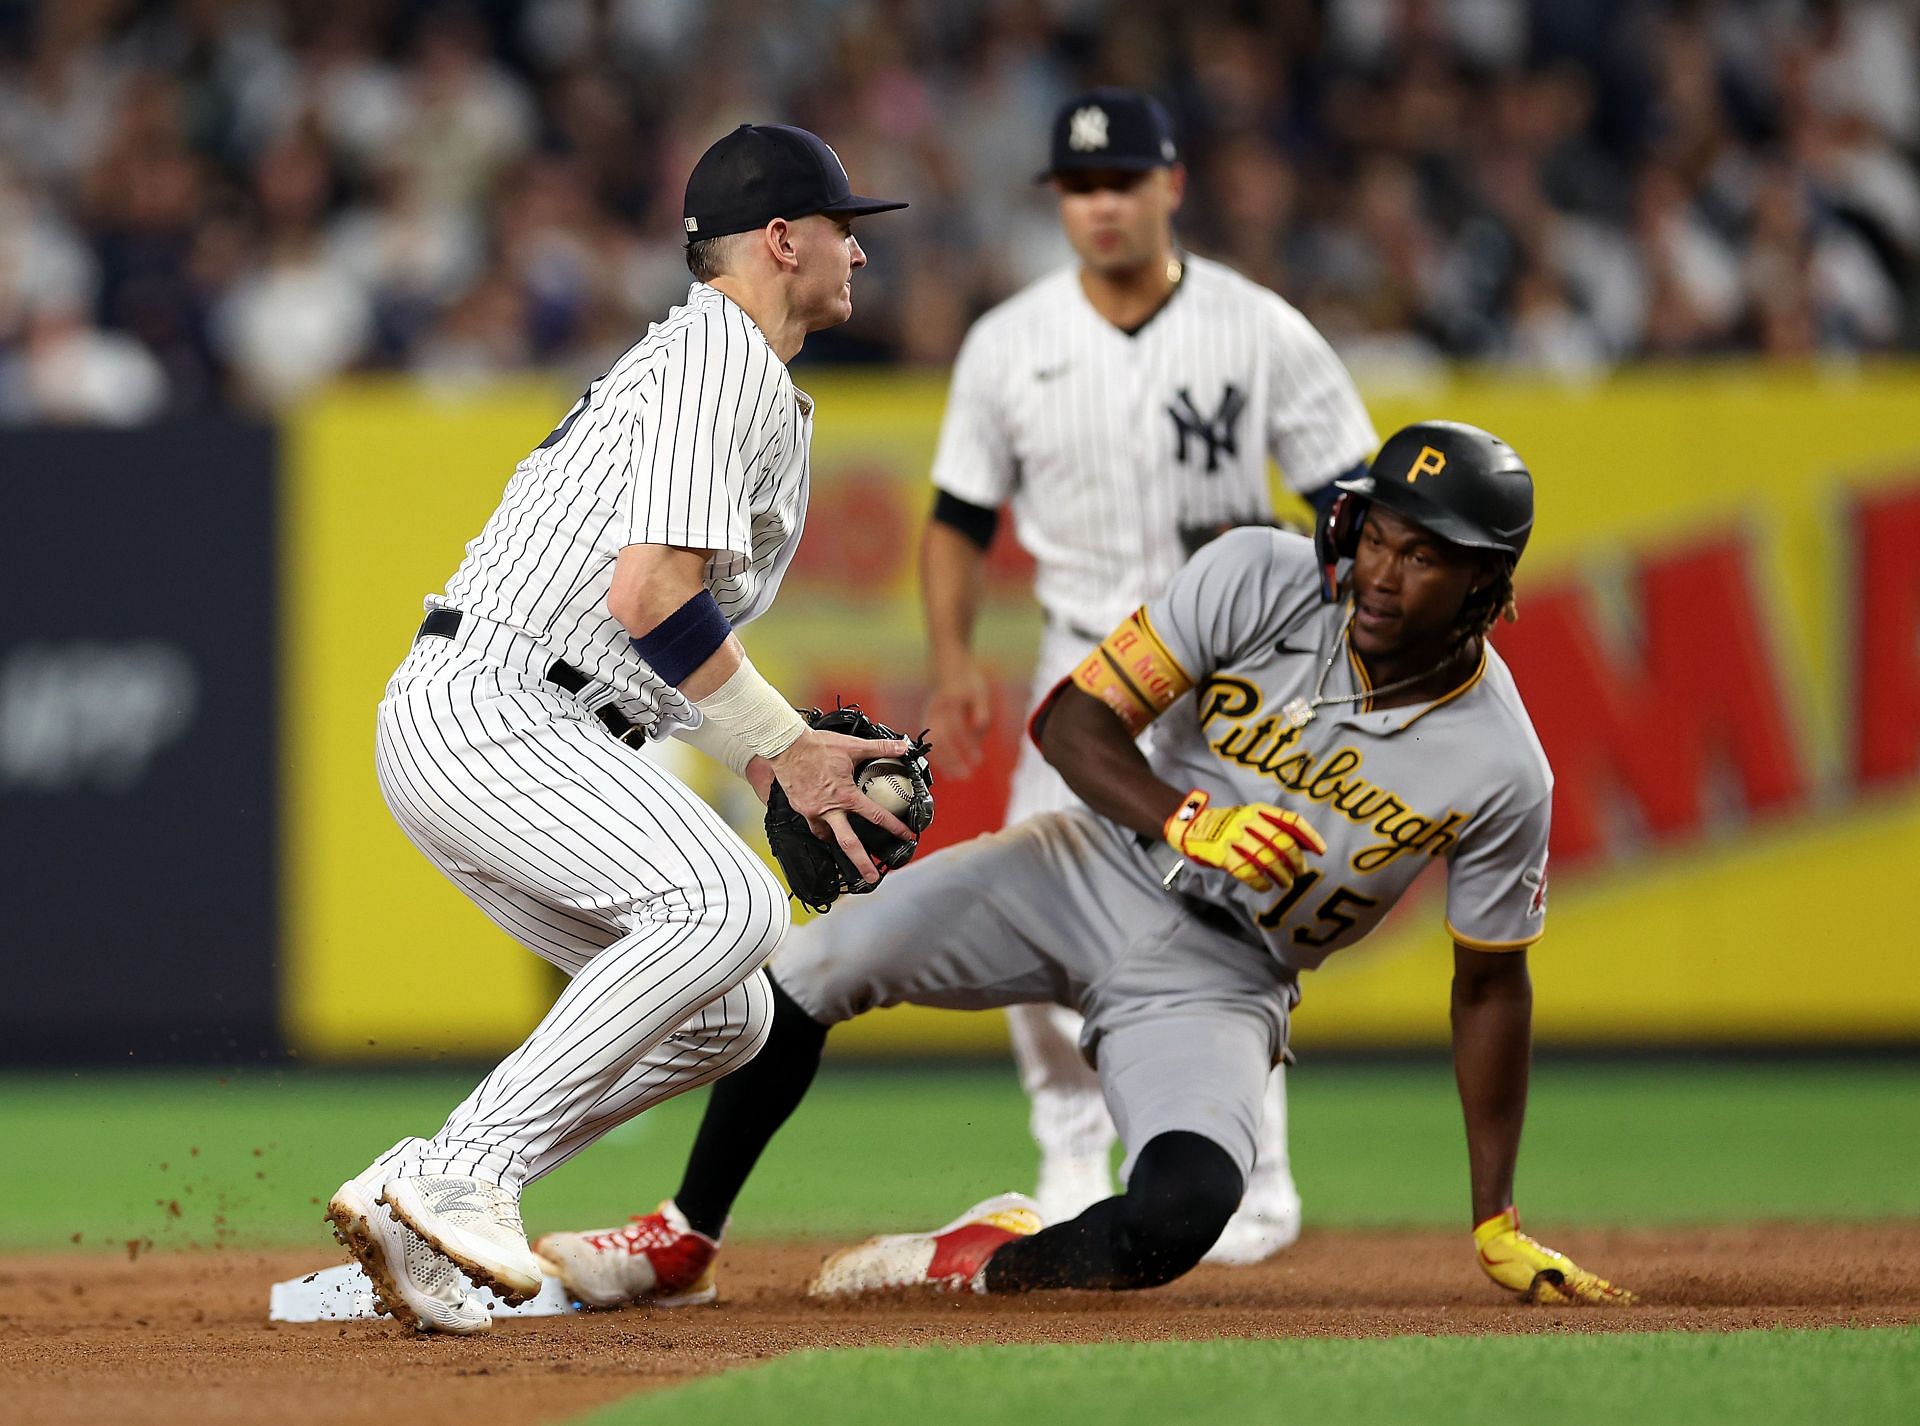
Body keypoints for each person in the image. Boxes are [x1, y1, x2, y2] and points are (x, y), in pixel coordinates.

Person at [531, 420, 1633, 1309]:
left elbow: (1491, 984)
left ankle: (977, 1260)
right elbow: (1071, 723)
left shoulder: (1502, 767)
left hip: (1225, 977)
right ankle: (685, 1236)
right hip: (1087, 864)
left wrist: (1495, 1216)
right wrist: (1184, 817)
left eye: (1425, 553)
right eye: (1380, 535)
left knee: (1183, 1211)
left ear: (1487, 581)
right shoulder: (1264, 573)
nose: (1384, 572)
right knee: (804, 977)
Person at [323, 124, 913, 1336]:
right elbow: (647, 594)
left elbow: (657, 625)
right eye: (846, 226)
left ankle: (406, 1210)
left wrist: (770, 752)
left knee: (729, 1015)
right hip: (498, 706)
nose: (861, 249)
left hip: (538, 715)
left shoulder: (732, 369)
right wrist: (788, 749)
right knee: (730, 906)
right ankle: (461, 1170)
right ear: (783, 239)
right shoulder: (722, 353)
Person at [919, 88, 1378, 1261]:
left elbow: (1350, 500)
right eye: (1080, 187)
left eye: (1122, 180)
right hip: (1085, 667)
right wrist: (955, 655)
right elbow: (959, 518)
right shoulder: (1008, 343)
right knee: (1031, 898)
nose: (1102, 205)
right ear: (1059, 202)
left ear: (1172, 185)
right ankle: (1072, 1148)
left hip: (1235, 676)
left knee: (1241, 914)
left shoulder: (1259, 327)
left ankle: (1257, 1166)